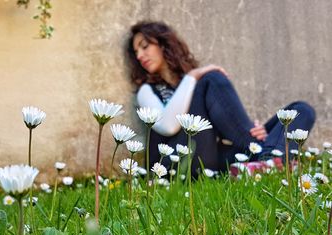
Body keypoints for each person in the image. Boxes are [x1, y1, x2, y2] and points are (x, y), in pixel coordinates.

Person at [126, 21, 315, 177]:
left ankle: (266, 160)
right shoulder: (146, 90)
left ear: (163, 43)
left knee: (302, 110)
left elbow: (224, 128)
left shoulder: (195, 84)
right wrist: (193, 76)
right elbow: (167, 126)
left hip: (208, 157)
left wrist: (254, 130)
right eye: (136, 52)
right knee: (212, 78)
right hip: (172, 164)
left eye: (145, 46)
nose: (141, 55)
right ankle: (273, 157)